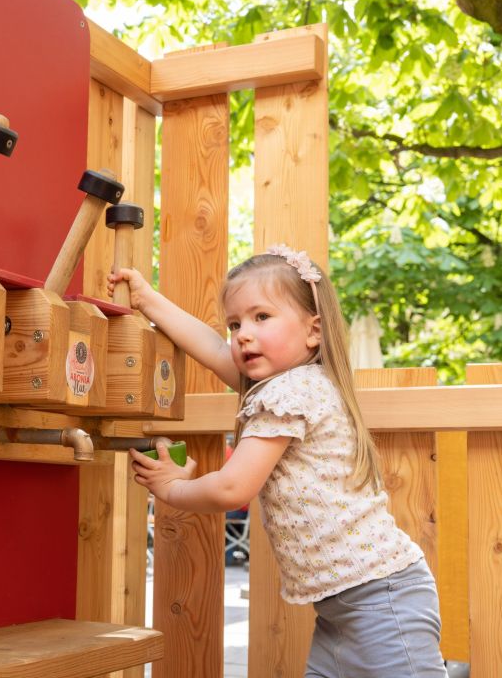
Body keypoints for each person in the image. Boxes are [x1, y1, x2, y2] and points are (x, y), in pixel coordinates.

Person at [109, 245, 447, 678]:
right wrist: (147, 299)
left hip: (380, 599)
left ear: (314, 331)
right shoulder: (288, 384)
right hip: (346, 604)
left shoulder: (291, 393)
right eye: (235, 324)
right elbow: (212, 349)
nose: (242, 334)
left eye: (261, 317)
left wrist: (174, 489)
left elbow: (234, 488)